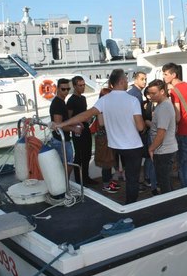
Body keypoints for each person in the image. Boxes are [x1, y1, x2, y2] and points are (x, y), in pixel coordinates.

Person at [55, 69, 145, 204]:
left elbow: (86, 114)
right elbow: (140, 127)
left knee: (119, 172)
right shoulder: (133, 101)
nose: (127, 83)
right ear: (121, 81)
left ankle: (124, 200)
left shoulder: (104, 100)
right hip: (133, 147)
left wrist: (62, 124)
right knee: (132, 179)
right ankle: (131, 205)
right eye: (126, 80)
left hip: (114, 146)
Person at [147, 79, 177, 194]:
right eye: (149, 93)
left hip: (163, 151)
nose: (150, 96)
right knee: (166, 181)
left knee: (164, 182)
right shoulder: (163, 105)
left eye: (154, 93)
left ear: (162, 92)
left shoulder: (164, 107)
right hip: (165, 149)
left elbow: (161, 133)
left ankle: (168, 207)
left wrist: (151, 148)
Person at [67, 76, 96, 185]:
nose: (83, 87)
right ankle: (79, 180)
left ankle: (86, 177)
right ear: (74, 86)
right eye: (80, 85)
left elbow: (84, 113)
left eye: (84, 85)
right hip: (77, 131)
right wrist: (77, 123)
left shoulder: (83, 99)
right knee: (79, 155)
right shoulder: (71, 101)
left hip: (86, 129)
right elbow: (69, 118)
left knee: (87, 154)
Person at [49, 78, 81, 167]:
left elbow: (63, 121)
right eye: (63, 89)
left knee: (67, 163)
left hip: (62, 140)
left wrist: (75, 123)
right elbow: (59, 125)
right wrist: (74, 129)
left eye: (68, 89)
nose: (66, 91)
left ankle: (64, 180)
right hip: (60, 141)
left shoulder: (61, 102)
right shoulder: (57, 104)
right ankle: (64, 181)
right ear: (58, 89)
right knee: (68, 164)